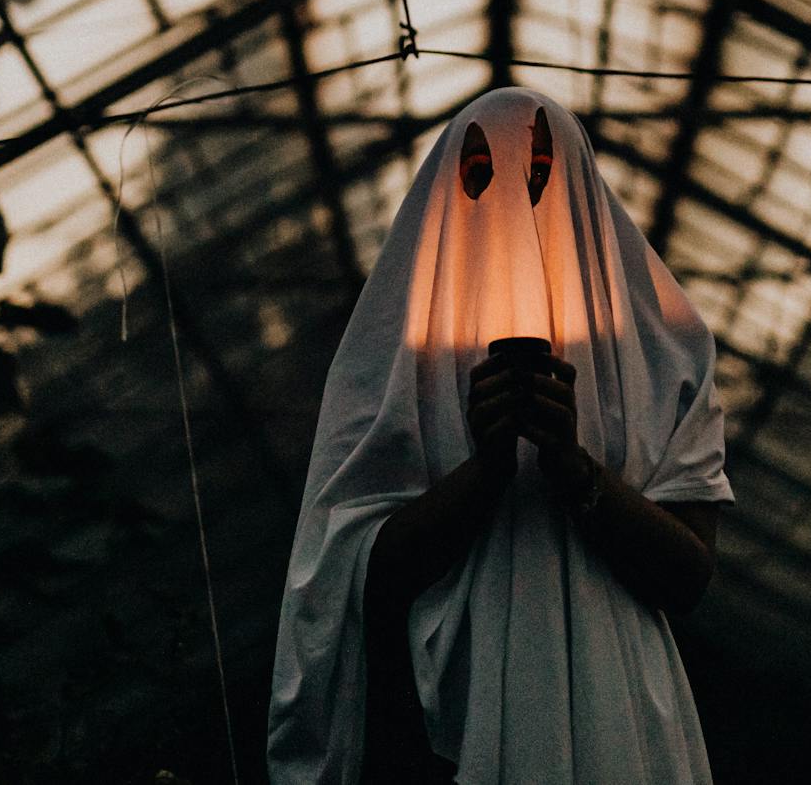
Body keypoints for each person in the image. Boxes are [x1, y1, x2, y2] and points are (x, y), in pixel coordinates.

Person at [267, 86, 733, 783]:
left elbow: (689, 573)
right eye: (479, 176)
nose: (515, 203)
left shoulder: (667, 352)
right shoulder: (394, 360)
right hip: (440, 719)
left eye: (540, 174)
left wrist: (575, 471)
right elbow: (355, 572)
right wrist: (485, 471)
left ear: (579, 186)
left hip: (622, 722)